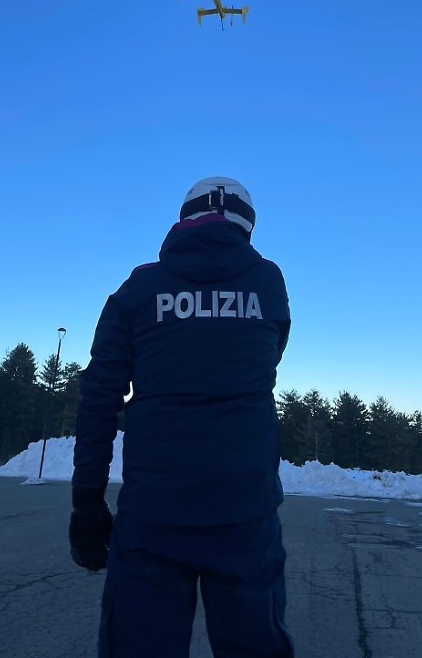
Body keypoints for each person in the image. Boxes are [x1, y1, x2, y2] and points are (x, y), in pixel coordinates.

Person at [69, 177, 294, 658]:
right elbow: (272, 352)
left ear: (182, 220)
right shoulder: (267, 282)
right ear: (246, 227)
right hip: (245, 514)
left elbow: (100, 396)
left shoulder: (139, 287)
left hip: (154, 515)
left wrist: (87, 500)